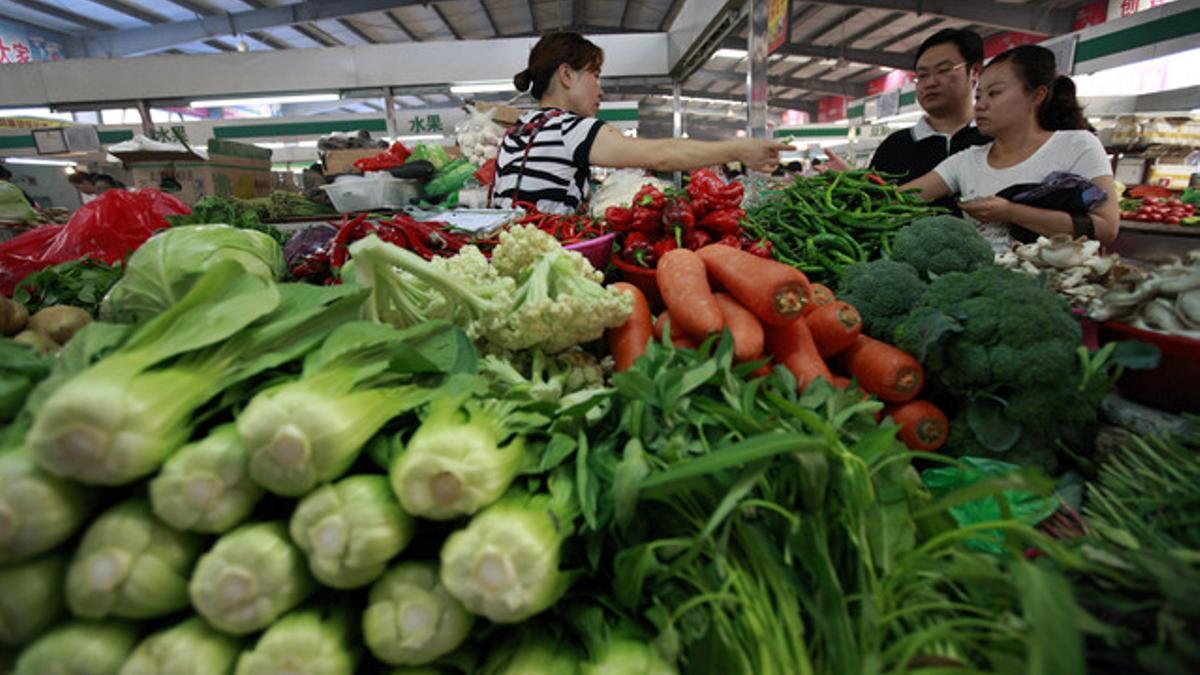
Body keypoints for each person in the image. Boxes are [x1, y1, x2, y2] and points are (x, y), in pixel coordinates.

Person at [493, 31, 791, 213]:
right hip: (546, 262)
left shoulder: (517, 129)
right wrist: (738, 150)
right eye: (595, 75)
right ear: (567, 75)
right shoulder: (570, 128)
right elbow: (661, 155)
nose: (601, 88)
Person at [900, 45, 1119, 251]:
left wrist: (1011, 212)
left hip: (1058, 286)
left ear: (1037, 95)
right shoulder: (965, 161)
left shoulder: (1076, 145)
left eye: (994, 93)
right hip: (984, 285)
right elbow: (901, 198)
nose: (981, 105)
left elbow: (1106, 228)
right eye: (978, 96)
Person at [825, 29, 990, 213]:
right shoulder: (894, 147)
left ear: (974, 72)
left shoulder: (996, 137)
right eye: (922, 75)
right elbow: (876, 209)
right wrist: (852, 181)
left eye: (943, 70)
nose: (930, 82)